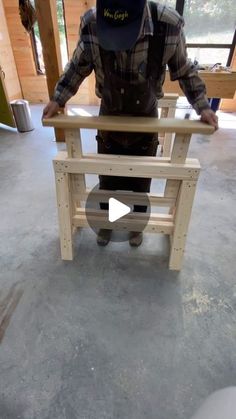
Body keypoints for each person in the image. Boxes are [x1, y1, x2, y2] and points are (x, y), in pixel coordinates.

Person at [43, 0, 218, 247]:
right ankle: (109, 221)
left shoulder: (167, 25)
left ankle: (134, 224)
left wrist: (203, 105)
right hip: (109, 115)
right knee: (109, 177)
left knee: (140, 178)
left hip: (146, 118)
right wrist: (57, 98)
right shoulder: (92, 24)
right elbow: (77, 67)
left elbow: (184, 69)